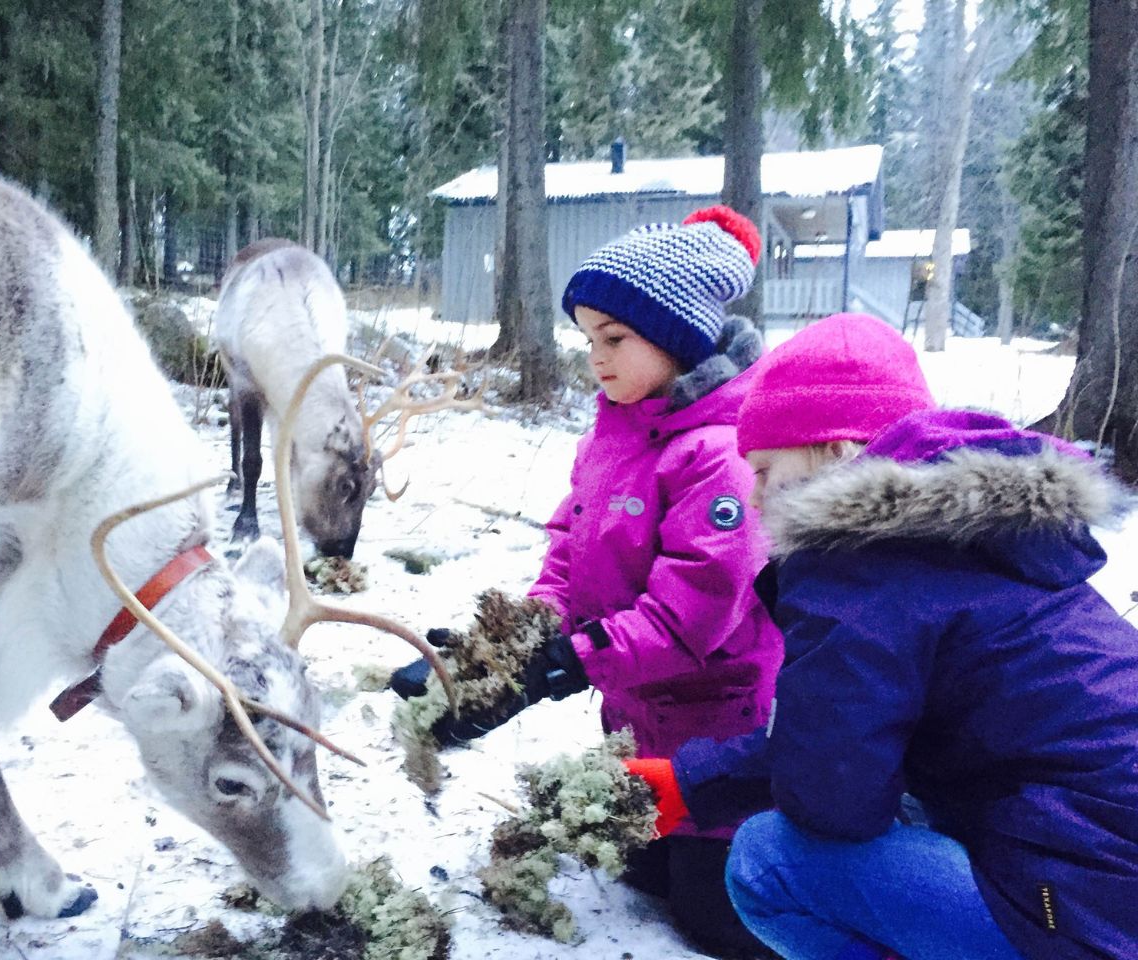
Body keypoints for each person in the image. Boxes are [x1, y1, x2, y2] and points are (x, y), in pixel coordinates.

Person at [624, 312, 1138, 960]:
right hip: (1104, 860)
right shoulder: (971, 538)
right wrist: (692, 780)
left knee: (767, 862)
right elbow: (840, 731)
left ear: (834, 454)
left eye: (764, 470)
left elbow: (834, 796)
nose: (753, 499)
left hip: (1080, 904)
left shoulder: (859, 573)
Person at [392, 206, 785, 957]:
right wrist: (508, 649)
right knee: (639, 875)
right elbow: (569, 555)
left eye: (614, 339)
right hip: (634, 716)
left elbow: (688, 621)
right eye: (586, 339)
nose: (595, 358)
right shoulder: (613, 433)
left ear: (678, 338)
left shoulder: (718, 456)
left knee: (716, 916)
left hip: (719, 727)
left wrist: (568, 662)